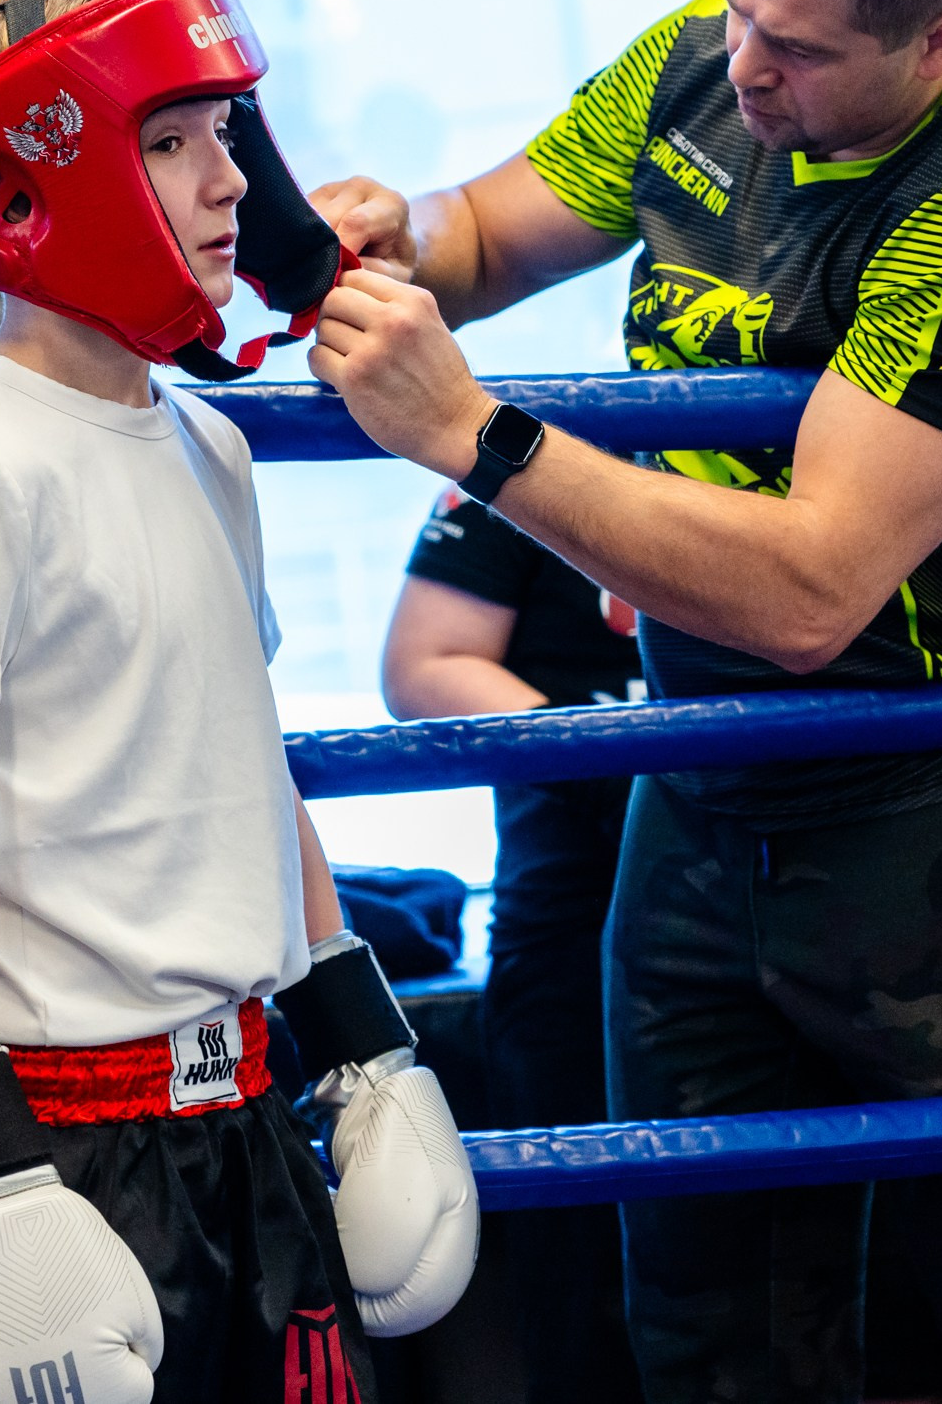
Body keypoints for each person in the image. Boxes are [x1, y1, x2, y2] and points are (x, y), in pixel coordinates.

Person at [304, 0, 942, 1403]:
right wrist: (395, 229)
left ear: (937, 40)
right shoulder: (706, 55)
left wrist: (472, 433)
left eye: (806, 46)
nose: (753, 69)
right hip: (698, 787)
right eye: (741, 5)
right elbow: (487, 233)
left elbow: (813, 587)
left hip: (940, 810)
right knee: (703, 1324)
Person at [0, 0, 479, 1404]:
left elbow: (251, 769)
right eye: (169, 139)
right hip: (66, 1140)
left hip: (246, 1111)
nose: (227, 179)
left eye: (226, 133)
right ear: (28, 182)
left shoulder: (208, 445)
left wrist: (366, 1047)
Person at [380, 490, 643, 1403]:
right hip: (579, 908)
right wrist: (630, 765)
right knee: (582, 1270)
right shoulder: (537, 441)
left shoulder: (829, 432)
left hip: (801, 877)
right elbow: (424, 665)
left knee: (795, 1236)